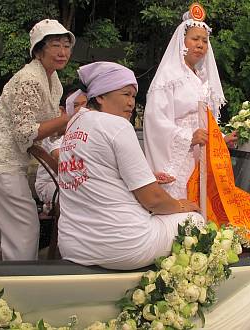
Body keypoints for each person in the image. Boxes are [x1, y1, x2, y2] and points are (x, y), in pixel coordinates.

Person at [58, 62, 204, 270]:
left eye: (133, 96)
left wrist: (148, 177)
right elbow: (153, 200)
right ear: (100, 96)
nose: (131, 103)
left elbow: (97, 172)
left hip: (73, 246)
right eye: (125, 94)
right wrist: (180, 205)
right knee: (194, 220)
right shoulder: (117, 125)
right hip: (123, 245)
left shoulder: (74, 125)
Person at [0, 19, 75, 260]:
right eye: (55, 45)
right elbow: (25, 132)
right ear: (38, 50)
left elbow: (49, 129)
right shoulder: (29, 78)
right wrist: (69, 117)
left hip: (5, 161)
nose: (62, 52)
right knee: (25, 226)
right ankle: (19, 285)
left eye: (66, 46)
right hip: (0, 160)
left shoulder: (53, 81)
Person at [143, 6, 238, 200]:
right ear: (182, 42)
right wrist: (188, 137)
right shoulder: (168, 77)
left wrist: (220, 138)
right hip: (179, 157)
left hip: (201, 156)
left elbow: (203, 122)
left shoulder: (202, 80)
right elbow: (155, 121)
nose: (200, 44)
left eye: (204, 40)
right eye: (195, 39)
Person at [35, 89, 87, 208]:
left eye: (85, 105)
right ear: (63, 110)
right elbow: (61, 159)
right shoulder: (56, 132)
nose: (82, 110)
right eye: (76, 106)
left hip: (75, 180)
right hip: (51, 183)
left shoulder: (86, 129)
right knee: (82, 194)